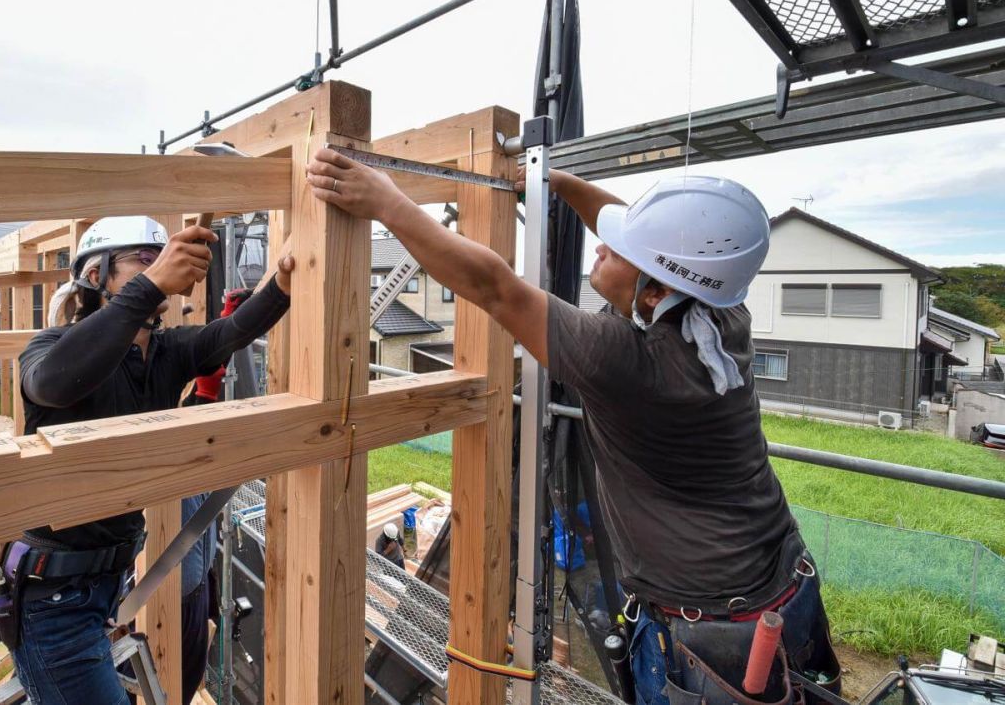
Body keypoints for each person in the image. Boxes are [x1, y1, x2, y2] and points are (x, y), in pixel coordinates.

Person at [304, 150, 841, 705]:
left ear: (655, 292)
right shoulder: (721, 315)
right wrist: (559, 183)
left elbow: (493, 285)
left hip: (714, 642)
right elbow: (659, 243)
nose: (602, 244)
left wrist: (385, 202)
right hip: (783, 588)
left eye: (619, 249)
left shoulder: (628, 361)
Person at [0, 215, 293, 705]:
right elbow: (53, 384)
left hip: (104, 585)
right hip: (51, 600)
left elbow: (231, 332)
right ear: (95, 276)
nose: (158, 267)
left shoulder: (165, 351)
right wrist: (153, 281)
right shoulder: (48, 348)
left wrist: (281, 283)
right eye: (141, 259)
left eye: (161, 258)